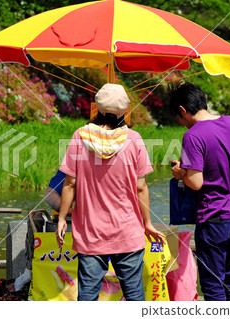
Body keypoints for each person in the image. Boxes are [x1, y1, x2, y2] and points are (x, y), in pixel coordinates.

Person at [55, 83, 166, 301]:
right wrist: (148, 224)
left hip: (90, 235)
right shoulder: (134, 139)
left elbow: (69, 184)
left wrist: (61, 218)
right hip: (128, 233)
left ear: (96, 107)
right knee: (135, 296)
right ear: (125, 110)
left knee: (87, 297)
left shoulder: (80, 136)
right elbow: (141, 187)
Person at [167, 81, 230, 301]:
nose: (182, 124)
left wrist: (181, 173)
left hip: (214, 218)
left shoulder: (193, 135)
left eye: (180, 119)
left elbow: (196, 183)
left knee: (213, 284)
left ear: (182, 111)